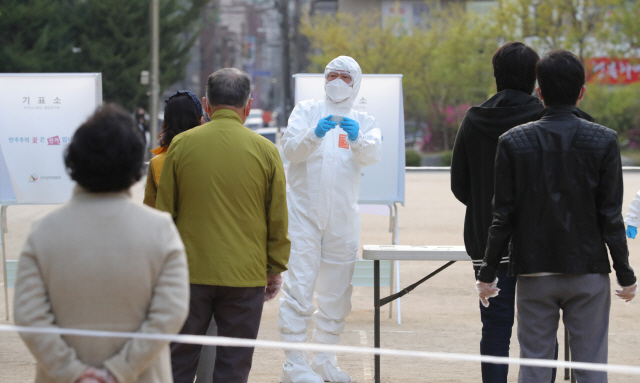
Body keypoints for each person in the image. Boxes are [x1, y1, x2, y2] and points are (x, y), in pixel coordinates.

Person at [476, 49, 638, 382]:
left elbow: (502, 215)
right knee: (590, 366)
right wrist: (625, 273)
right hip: (589, 271)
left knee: (534, 365)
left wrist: (488, 271)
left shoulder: (512, 142)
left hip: (534, 271)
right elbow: (611, 215)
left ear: (540, 92)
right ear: (582, 91)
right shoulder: (604, 140)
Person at [13, 104, 190, 383]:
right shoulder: (160, 231)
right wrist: (120, 369)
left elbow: (29, 316)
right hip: (142, 375)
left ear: (73, 160)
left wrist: (72, 372)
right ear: (135, 166)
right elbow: (169, 313)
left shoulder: (43, 232)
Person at [156, 68, 290, 383]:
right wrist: (274, 268)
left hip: (189, 273)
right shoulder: (267, 152)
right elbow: (278, 218)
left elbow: (164, 215)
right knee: (234, 365)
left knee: (178, 362)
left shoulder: (181, 146)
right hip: (245, 276)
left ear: (206, 104)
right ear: (248, 105)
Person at [278, 56, 382, 383]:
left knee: (337, 292)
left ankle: (324, 358)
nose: (337, 81)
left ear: (356, 83)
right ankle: (294, 363)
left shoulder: (364, 121)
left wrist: (358, 139)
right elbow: (290, 150)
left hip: (342, 218)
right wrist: (314, 133)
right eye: (332, 75)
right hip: (303, 216)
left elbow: (372, 154)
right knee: (298, 287)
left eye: (345, 77)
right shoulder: (306, 111)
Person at [450, 41, 549, 383]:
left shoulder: (474, 120)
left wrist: (485, 209)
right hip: (540, 242)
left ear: (496, 76)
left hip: (486, 239)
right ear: (534, 78)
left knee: (494, 329)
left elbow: (459, 185)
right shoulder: (543, 118)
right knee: (540, 327)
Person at [143, 90, 205, 208]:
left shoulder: (157, 163)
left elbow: (150, 209)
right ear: (201, 120)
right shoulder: (212, 157)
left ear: (165, 123)